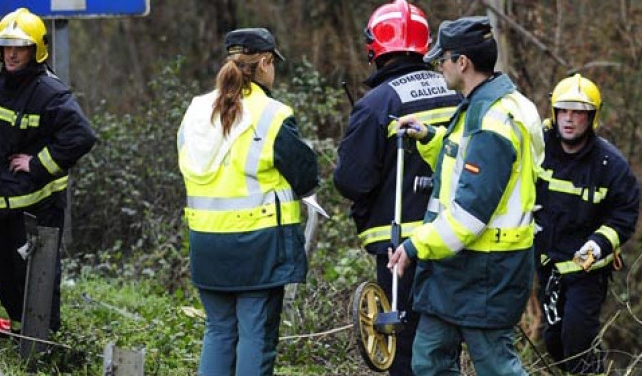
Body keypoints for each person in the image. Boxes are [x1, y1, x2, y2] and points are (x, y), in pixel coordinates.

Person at [388, 16, 542, 375]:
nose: (438, 66)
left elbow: (469, 215)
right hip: (457, 267)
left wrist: (413, 247)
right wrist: (429, 138)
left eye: (442, 59)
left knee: (495, 367)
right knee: (428, 360)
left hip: (487, 269)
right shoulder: (484, 106)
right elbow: (464, 161)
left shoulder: (493, 121)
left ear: (463, 63)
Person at [177, 28, 319, 376]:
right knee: (256, 338)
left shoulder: (195, 111)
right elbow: (305, 177)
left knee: (219, 331)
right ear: (266, 62)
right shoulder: (271, 114)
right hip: (258, 247)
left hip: (207, 245)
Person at [332, 1, 461, 374]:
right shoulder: (457, 91)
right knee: (443, 339)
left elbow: (352, 181)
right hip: (452, 236)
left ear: (376, 48)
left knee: (401, 342)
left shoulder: (377, 103)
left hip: (397, 246)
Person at [0, 7, 97, 333]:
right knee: (2, 275)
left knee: (36, 277)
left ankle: (42, 341)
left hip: (36, 209)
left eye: (20, 47)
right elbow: (4, 130)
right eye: (6, 47)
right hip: (3, 204)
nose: (11, 54)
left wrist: (38, 163)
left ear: (36, 50)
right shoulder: (3, 84)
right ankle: (19, 331)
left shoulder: (48, 91)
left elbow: (82, 136)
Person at [534, 73, 640, 373]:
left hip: (587, 271)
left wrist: (597, 245)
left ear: (592, 117)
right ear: (554, 113)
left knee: (577, 341)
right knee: (554, 342)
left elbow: (624, 214)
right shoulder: (539, 150)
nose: (569, 119)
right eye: (563, 111)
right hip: (548, 267)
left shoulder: (609, 164)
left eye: (578, 112)